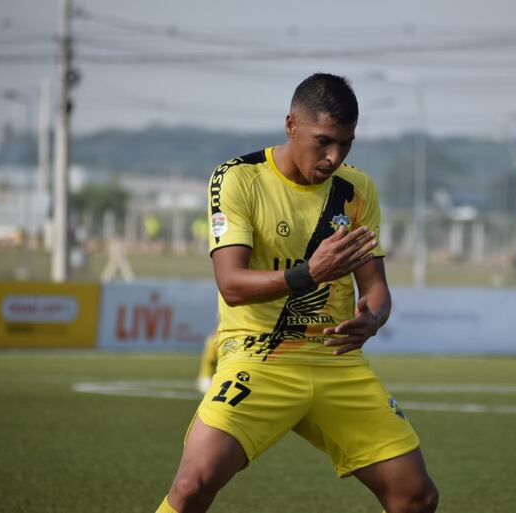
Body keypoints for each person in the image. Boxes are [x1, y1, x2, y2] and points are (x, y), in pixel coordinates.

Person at [155, 73, 438, 513]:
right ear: (291, 125)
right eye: (324, 141)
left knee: (416, 497)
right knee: (192, 485)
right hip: (257, 356)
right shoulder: (238, 178)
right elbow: (231, 284)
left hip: (336, 361)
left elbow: (377, 290)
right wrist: (309, 273)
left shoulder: (357, 190)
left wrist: (373, 318)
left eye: (346, 144)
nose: (333, 156)